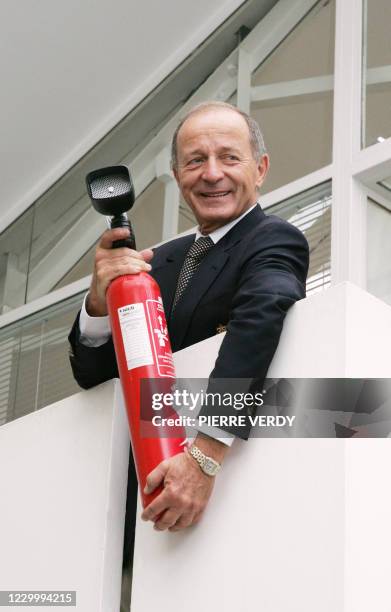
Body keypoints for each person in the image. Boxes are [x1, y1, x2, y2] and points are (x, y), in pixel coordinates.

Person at [68, 101, 309, 540]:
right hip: (139, 498)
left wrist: (205, 456)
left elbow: (257, 324)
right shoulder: (156, 262)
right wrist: (100, 303)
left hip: (231, 498)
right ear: (178, 177)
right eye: (195, 161)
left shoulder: (273, 238)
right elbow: (94, 377)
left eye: (229, 157)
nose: (212, 173)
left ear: (260, 168)